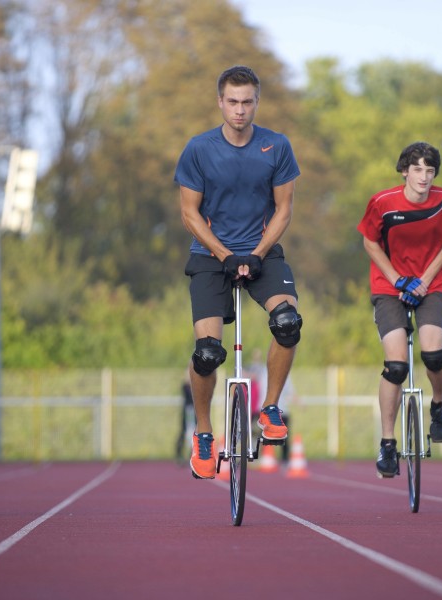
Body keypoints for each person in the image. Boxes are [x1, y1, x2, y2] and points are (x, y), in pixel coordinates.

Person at [175, 65, 303, 479]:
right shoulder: (199, 148)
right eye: (232, 101)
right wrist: (225, 253)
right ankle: (205, 433)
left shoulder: (276, 146)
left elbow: (284, 208)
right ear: (220, 102)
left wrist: (258, 253)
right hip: (211, 257)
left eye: (247, 102)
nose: (240, 110)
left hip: (263, 252)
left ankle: (270, 408)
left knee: (288, 323)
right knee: (208, 352)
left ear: (256, 102)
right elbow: (189, 213)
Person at [357, 142, 442, 478]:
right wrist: (398, 279)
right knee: (397, 366)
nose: (424, 177)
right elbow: (370, 242)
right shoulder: (383, 203)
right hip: (390, 286)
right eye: (417, 169)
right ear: (405, 171)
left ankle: (439, 405)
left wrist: (423, 283)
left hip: (431, 284)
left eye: (430, 171)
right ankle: (388, 443)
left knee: (434, 354)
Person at [174, 369, 196, 465]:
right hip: (187, 413)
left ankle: (192, 455)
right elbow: (190, 398)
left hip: (193, 413)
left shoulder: (195, 387)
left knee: (193, 434)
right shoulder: (185, 387)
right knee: (184, 433)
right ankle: (179, 455)